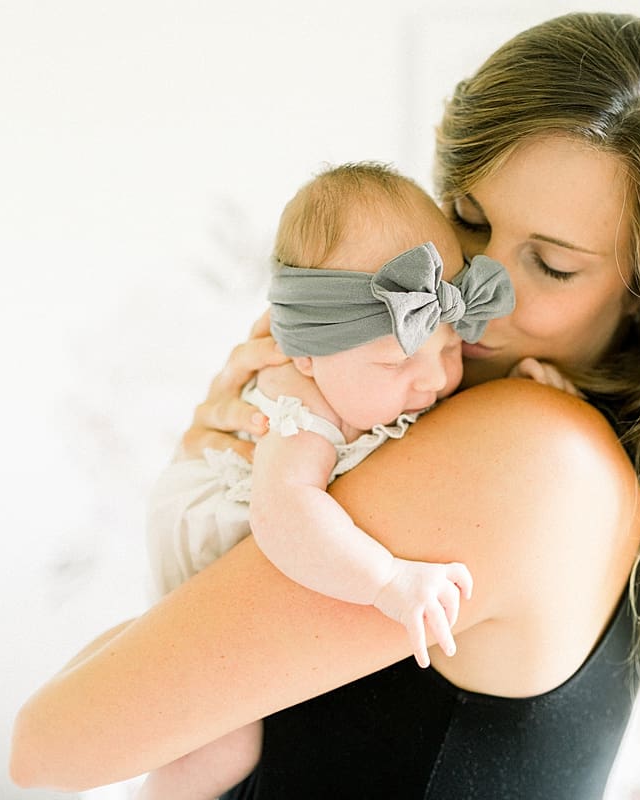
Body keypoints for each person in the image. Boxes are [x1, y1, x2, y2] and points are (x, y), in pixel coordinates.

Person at [11, 12, 640, 799]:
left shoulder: (528, 454)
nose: (472, 294)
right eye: (468, 221)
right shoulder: (546, 443)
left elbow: (52, 747)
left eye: (554, 266)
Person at [136, 161, 523, 800]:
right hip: (216, 536)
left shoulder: (372, 385)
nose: (432, 380)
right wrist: (387, 581)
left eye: (452, 349)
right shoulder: (299, 405)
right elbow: (287, 513)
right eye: (400, 357)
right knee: (226, 740)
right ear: (309, 353)